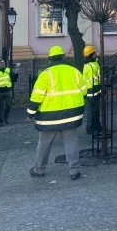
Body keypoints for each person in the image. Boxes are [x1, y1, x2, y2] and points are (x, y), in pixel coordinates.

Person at [28, 46, 87, 180]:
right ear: (63, 57)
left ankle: (39, 170)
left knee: (44, 143)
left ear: (50, 58)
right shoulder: (74, 71)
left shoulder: (45, 74)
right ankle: (74, 171)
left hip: (49, 117)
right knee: (71, 142)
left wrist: (30, 113)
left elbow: (37, 97)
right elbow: (84, 91)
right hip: (72, 114)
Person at [82, 45, 102, 135]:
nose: (96, 53)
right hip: (91, 89)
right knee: (91, 111)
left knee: (95, 110)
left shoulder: (92, 63)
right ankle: (90, 128)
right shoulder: (91, 65)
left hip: (95, 88)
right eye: (94, 52)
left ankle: (96, 126)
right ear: (92, 53)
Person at [0, 57, 15, 126]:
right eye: (1, 63)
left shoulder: (8, 70)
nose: (3, 64)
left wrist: (12, 86)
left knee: (8, 105)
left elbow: (13, 79)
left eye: (3, 62)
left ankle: (5, 117)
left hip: (7, 90)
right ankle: (1, 121)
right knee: (0, 107)